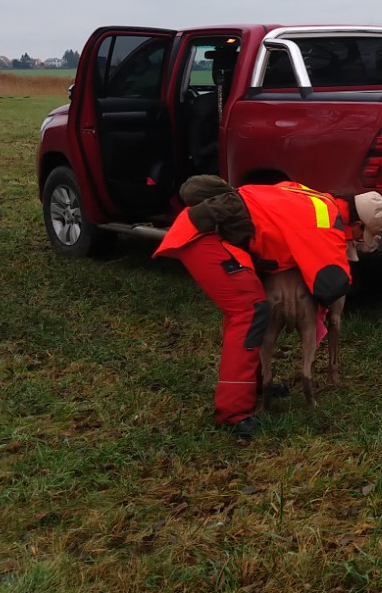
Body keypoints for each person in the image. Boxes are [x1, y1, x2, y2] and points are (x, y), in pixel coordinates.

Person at [153, 176, 364, 436]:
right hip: (203, 236)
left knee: (254, 308)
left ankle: (253, 384)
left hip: (210, 229)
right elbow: (330, 282)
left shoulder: (313, 197)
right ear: (356, 224)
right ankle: (233, 413)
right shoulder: (329, 220)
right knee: (249, 310)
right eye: (363, 234)